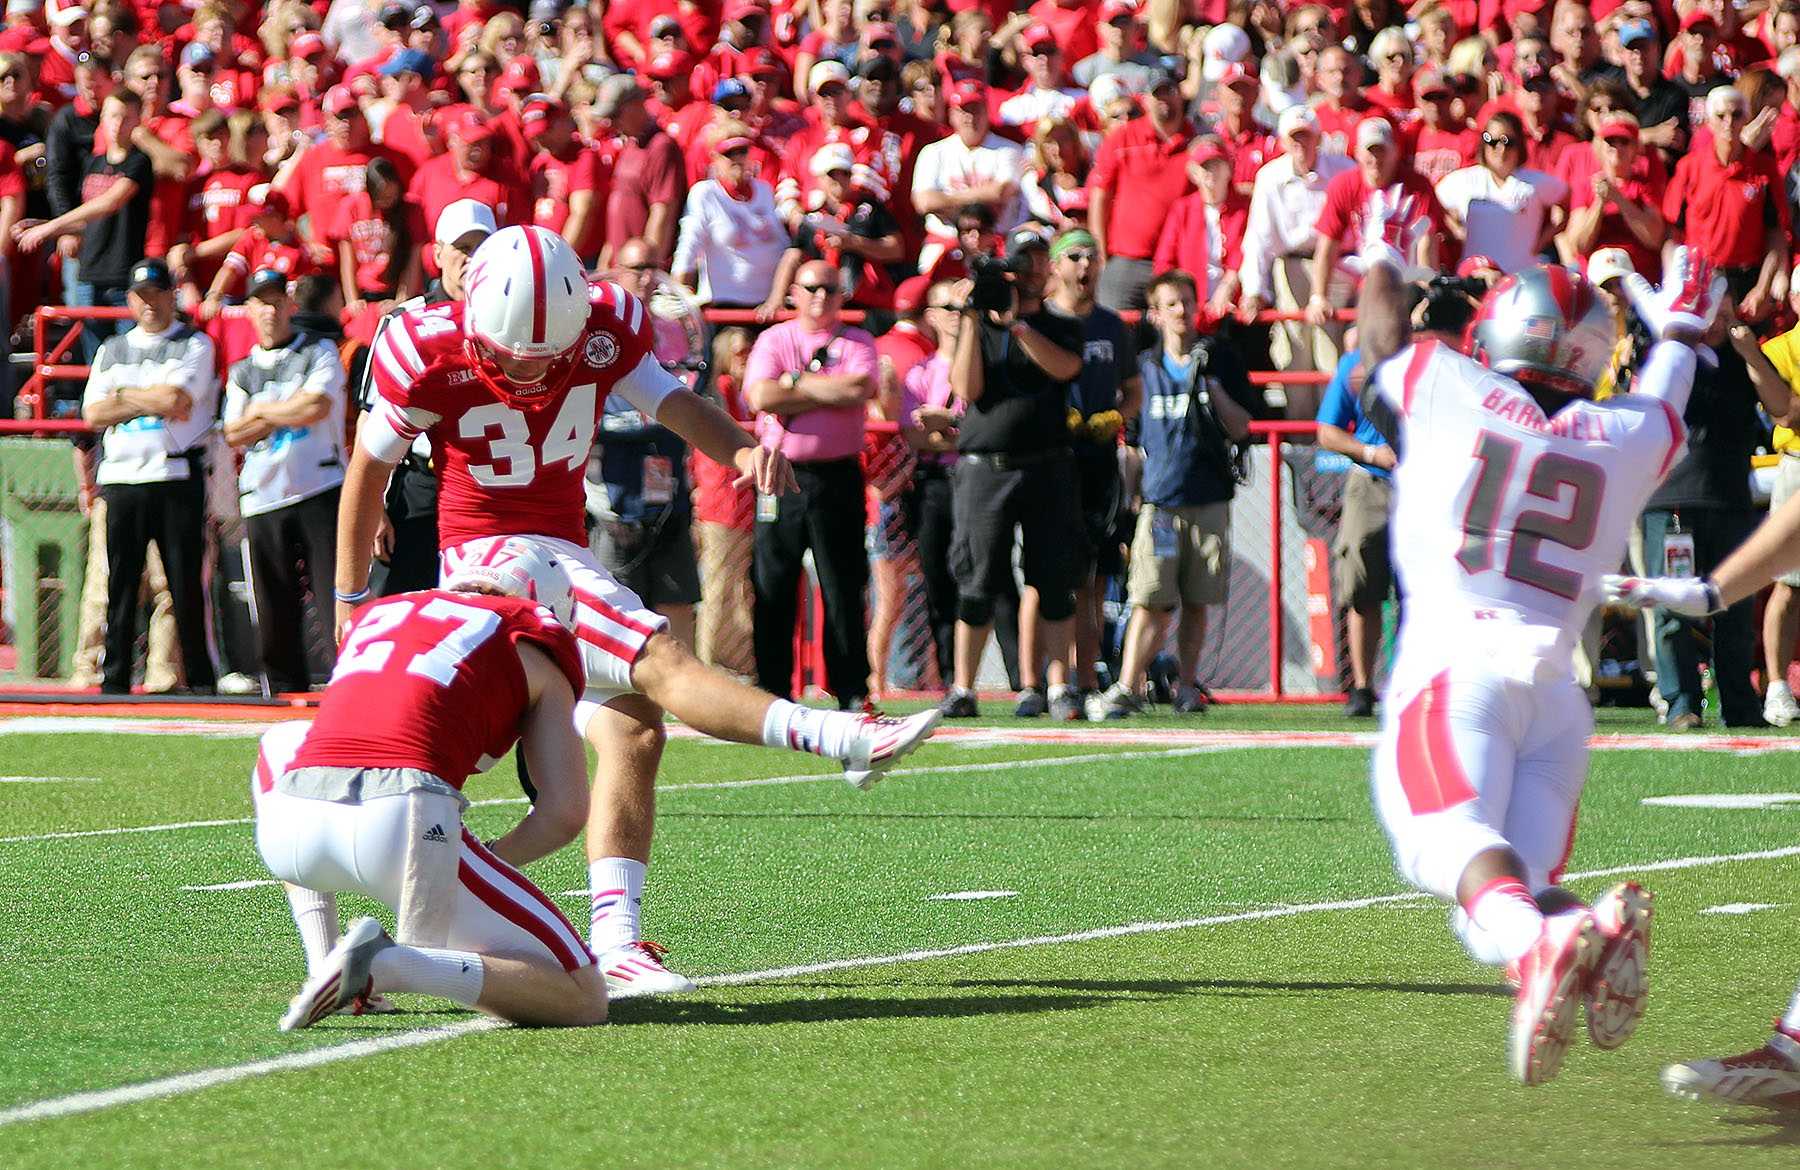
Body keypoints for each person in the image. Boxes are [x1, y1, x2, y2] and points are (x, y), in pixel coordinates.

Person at [339, 226, 940, 996]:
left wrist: (741, 449)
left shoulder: (605, 322)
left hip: (563, 548)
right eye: (512, 351)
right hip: (495, 562)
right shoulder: (424, 343)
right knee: (662, 660)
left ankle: (606, 939)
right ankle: (845, 736)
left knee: (633, 732)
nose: (527, 367)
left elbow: (674, 403)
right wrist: (354, 601)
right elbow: (365, 477)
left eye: (543, 353)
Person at [1355, 189, 1726, 1082]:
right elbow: (1669, 384)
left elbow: (1375, 349)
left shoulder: (1448, 383)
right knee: (1496, 891)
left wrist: (1385, 261)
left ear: (1500, 333)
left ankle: (1552, 940)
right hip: (1559, 690)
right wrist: (1676, 330)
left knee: (1437, 841)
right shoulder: (1628, 432)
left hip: (1458, 663)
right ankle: (1564, 936)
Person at [258, 537, 606, 1031]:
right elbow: (564, 812)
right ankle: (386, 967)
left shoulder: (383, 613)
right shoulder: (527, 636)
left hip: (287, 828)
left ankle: (324, 956)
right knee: (582, 996)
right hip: (401, 822)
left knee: (284, 737)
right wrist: (491, 858)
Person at [1089, 270, 1251, 720]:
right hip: (1160, 502)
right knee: (1149, 597)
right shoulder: (1144, 368)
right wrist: (1131, 502)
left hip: (1209, 497)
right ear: (1155, 315)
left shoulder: (1220, 359)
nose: (1182, 312)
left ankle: (1186, 684)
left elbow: (1242, 427)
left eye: (1187, 302)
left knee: (1197, 599)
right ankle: (1128, 685)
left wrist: (1211, 388)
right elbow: (1135, 443)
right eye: (1171, 304)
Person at [936, 228, 1084, 718]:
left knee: (1053, 578)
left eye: (1043, 260)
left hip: (1046, 465)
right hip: (986, 470)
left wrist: (1018, 326)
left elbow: (1065, 368)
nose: (1036, 270)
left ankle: (1058, 686)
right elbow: (967, 389)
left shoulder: (1059, 323)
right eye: (1027, 261)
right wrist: (972, 321)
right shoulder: (983, 324)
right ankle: (964, 687)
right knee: (976, 580)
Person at [1638, 300, 1795, 730]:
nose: (1718, 322)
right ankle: (1681, 703)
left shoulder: (1744, 357)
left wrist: (1750, 355)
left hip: (1730, 501)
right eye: (1712, 313)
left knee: (1736, 606)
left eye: (1726, 313)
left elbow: (1783, 409)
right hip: (1673, 501)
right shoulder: (1670, 354)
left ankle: (1739, 704)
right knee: (1673, 607)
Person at [78, 258, 218, 694]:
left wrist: (123, 396)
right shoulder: (112, 348)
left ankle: (196, 677)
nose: (150, 303)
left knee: (182, 585)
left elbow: (177, 400)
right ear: (130, 300)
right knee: (120, 584)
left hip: (174, 474)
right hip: (121, 478)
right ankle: (114, 677)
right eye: (142, 295)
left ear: (171, 295)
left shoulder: (194, 343)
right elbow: (93, 412)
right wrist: (147, 399)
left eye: (158, 294)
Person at [744, 259, 879, 708]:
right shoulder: (773, 339)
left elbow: (859, 388)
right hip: (780, 473)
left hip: (838, 473)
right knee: (773, 581)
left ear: (842, 296)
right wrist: (827, 388)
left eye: (830, 289)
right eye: (812, 288)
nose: (821, 297)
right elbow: (761, 395)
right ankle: (773, 690)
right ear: (794, 294)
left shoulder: (857, 340)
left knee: (842, 583)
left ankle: (850, 688)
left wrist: (796, 381)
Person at [358, 199, 496, 600]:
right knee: (405, 606)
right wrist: (374, 508)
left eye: (480, 247)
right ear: (438, 254)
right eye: (462, 248)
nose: (471, 259)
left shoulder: (510, 318)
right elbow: (371, 417)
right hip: (420, 485)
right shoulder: (404, 321)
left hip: (487, 484)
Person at [221, 268, 346, 695]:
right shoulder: (241, 370)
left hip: (320, 487)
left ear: (291, 305)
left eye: (276, 301)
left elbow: (315, 405)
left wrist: (261, 414)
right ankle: (282, 688)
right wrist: (282, 409)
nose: (270, 311)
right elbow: (233, 432)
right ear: (250, 310)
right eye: (261, 302)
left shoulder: (320, 350)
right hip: (263, 495)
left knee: (335, 597)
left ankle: (348, 682)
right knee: (273, 605)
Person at [1042, 227, 1137, 717]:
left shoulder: (1111, 326)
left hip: (1098, 455)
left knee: (1097, 575)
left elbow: (1133, 386)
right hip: (1052, 459)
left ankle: (1086, 676)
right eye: (1074, 256)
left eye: (1092, 257)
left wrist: (1117, 417)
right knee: (1050, 573)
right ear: (1056, 266)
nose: (1084, 266)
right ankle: (1036, 681)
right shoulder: (1042, 320)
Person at [590, 238, 703, 650]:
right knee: (613, 603)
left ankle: (684, 701)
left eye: (652, 267)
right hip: (612, 493)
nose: (645, 277)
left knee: (677, 599)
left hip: (667, 483)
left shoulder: (678, 331)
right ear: (616, 269)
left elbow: (692, 390)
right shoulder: (595, 329)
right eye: (636, 267)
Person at [1236, 106, 1353, 408]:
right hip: (1289, 265)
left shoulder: (1344, 169)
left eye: (1307, 136)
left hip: (1335, 263)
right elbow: (1258, 239)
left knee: (1331, 349)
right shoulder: (1270, 177)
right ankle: (1299, 436)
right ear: (1284, 141)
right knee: (1294, 350)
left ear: (1318, 138)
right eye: (1294, 137)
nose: (1301, 143)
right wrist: (1253, 290)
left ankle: (1332, 432)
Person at [1314, 346, 1395, 718]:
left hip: (1426, 483)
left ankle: (1413, 685)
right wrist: (1369, 452)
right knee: (1362, 589)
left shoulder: (1434, 360)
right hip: (1372, 482)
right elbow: (1327, 431)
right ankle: (1363, 686)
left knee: (1423, 593)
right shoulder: (1356, 364)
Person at [1087, 69, 1196, 312]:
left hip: (1178, 263)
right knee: (1115, 333)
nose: (1164, 100)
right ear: (1145, 99)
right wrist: (1100, 253)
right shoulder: (1122, 137)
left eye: (1170, 92)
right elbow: (1100, 196)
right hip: (1127, 260)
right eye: (1157, 94)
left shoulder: (1197, 140)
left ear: (1181, 95)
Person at [901, 280, 964, 696]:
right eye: (949, 306)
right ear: (932, 317)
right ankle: (948, 677)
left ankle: (1017, 678)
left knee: (987, 579)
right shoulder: (921, 372)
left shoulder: (985, 371)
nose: (958, 314)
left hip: (975, 476)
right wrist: (958, 431)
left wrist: (947, 425)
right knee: (938, 581)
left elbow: (987, 432)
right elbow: (916, 435)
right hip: (935, 481)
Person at [1434, 111, 1569, 276]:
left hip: (1522, 277)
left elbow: (1567, 201)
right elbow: (1433, 204)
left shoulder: (1535, 182)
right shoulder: (1463, 180)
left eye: (1508, 142)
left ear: (1519, 144)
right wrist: (1456, 231)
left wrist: (1542, 241)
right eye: (1492, 141)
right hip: (1474, 279)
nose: (1500, 149)